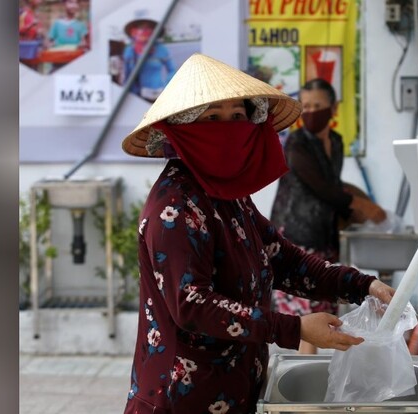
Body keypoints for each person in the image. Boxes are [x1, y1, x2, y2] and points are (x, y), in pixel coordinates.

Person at [119, 54, 396, 414]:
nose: (228, 127)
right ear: (181, 129)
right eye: (212, 118)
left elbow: (285, 261)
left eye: (237, 116)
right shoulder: (175, 205)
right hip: (180, 399)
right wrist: (293, 328)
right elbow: (192, 304)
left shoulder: (228, 194)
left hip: (236, 390)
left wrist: (362, 286)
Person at [269, 79, 387, 354]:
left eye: (318, 106)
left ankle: (311, 379)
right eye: (306, 106)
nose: (310, 112)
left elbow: (333, 187)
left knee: (325, 311)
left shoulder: (335, 141)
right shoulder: (297, 144)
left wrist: (354, 208)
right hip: (296, 235)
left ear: (333, 108)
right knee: (307, 320)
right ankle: (305, 383)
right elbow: (323, 187)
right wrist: (359, 204)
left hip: (325, 235)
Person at [122, 18, 175, 102]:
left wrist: (165, 87)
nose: (143, 32)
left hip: (157, 95)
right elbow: (126, 74)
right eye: (140, 28)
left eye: (148, 28)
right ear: (134, 31)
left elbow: (172, 71)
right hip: (135, 96)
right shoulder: (129, 50)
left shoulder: (161, 49)